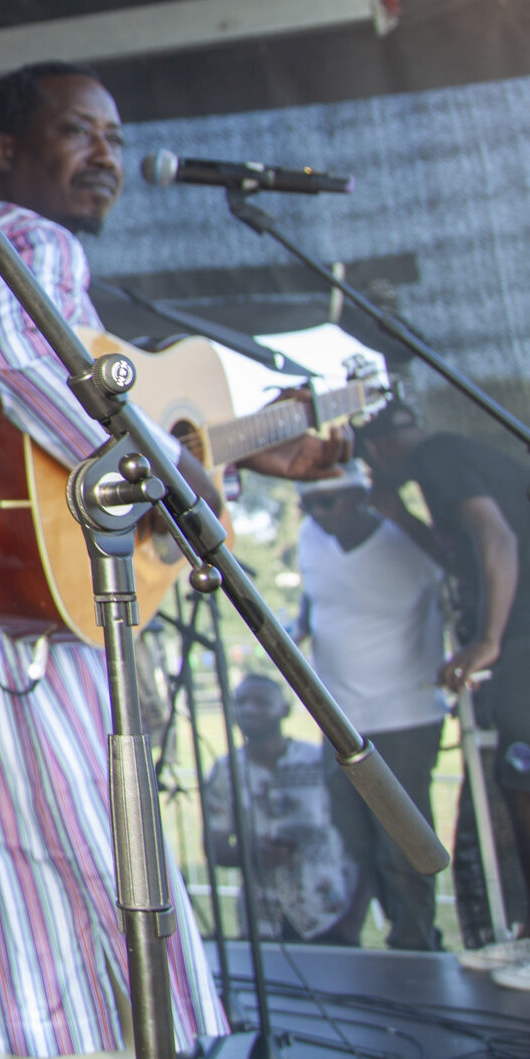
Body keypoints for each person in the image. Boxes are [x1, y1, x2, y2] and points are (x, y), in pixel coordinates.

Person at [0, 62, 348, 1059]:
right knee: (89, 894)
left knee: (6, 917)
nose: (106, 156)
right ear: (4, 149)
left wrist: (234, 451)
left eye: (117, 139)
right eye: (79, 131)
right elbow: (29, 363)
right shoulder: (25, 240)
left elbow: (60, 437)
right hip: (0, 646)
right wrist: (177, 468)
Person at [357, 399, 530, 975]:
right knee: (515, 775)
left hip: (522, 636)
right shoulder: (446, 461)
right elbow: (466, 561)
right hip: (518, 636)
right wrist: (402, 518)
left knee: (523, 774)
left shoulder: (438, 456)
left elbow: (497, 540)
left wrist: (488, 640)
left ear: (378, 449)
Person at [293, 467, 447, 948]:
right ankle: (378, 939)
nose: (318, 515)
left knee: (401, 844)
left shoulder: (408, 545)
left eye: (328, 502)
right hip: (338, 717)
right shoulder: (310, 538)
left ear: (361, 495)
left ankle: (416, 944)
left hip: (404, 715)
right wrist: (299, 628)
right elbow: (315, 595)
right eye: (308, 505)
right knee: (351, 839)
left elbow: (459, 581)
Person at [201, 676, 362, 945]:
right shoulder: (225, 771)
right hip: (261, 919)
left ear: (284, 710)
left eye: (261, 702)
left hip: (327, 913)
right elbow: (214, 846)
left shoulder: (319, 762)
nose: (249, 709)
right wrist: (253, 854)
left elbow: (360, 842)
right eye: (241, 702)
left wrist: (353, 920)